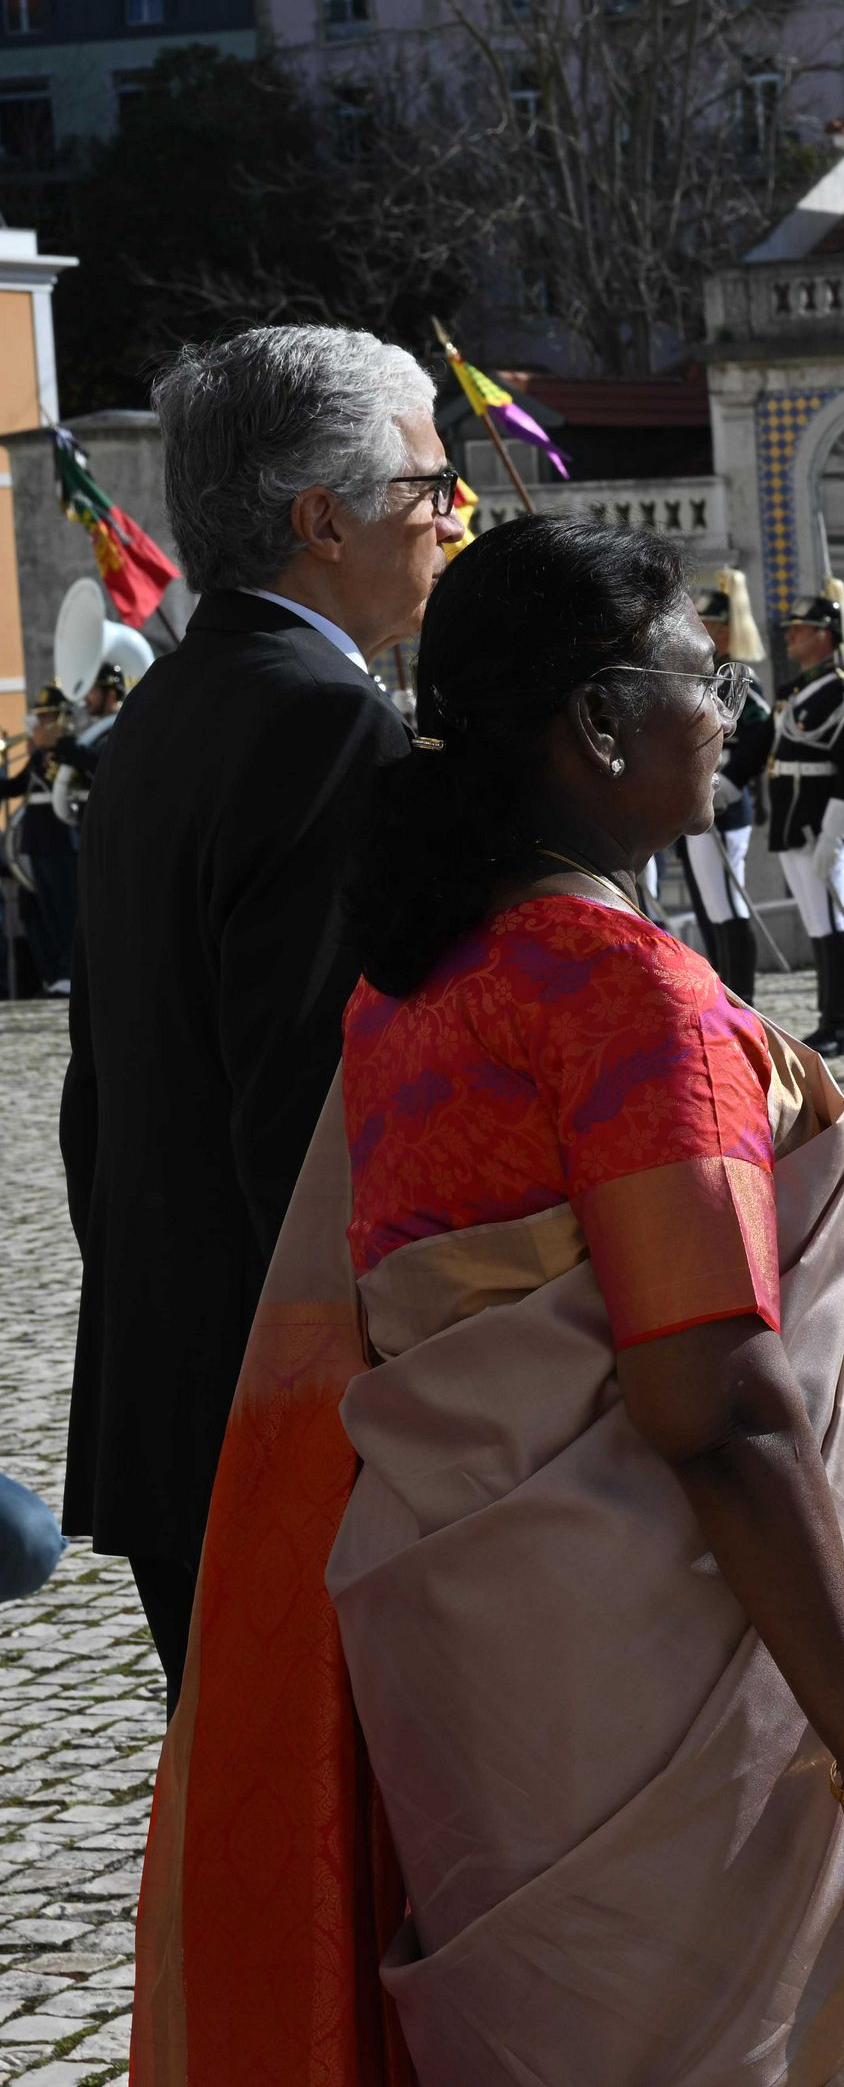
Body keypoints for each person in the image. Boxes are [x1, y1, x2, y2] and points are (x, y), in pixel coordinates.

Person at [133, 515, 844, 2076]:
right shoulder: (625, 992)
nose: (728, 709)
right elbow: (717, 1408)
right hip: (663, 1675)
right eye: (701, 677)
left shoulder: (414, 983)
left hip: (472, 1667)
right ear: (600, 720)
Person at [62, 327, 447, 1696]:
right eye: (426, 486)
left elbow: (97, 1099)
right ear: (322, 520)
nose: (449, 515)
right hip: (285, 1413)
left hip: (176, 1378)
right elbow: (311, 1113)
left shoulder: (172, 704)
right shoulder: (323, 723)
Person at [765, 579, 844, 1058]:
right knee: (816, 922)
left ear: (824, 636)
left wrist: (834, 833)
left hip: (818, 825)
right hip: (792, 821)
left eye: (801, 629)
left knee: (831, 922)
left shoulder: (842, 694)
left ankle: (840, 1023)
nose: (790, 637)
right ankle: (827, 1018)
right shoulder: (796, 690)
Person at [681, 571, 772, 1001]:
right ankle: (723, 996)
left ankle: (742, 1000)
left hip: (727, 804)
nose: (702, 629)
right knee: (710, 907)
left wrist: (734, 782)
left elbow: (761, 729)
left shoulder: (737, 678)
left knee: (727, 905)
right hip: (702, 798)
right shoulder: (705, 674)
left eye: (711, 623)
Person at [4, 688, 79, 993]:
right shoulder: (37, 756)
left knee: (66, 910)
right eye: (40, 717)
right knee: (46, 912)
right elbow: (15, 787)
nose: (42, 723)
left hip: (62, 842)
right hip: (35, 843)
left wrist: (57, 749)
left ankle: (71, 973)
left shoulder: (72, 749)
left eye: (48, 716)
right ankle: (57, 975)